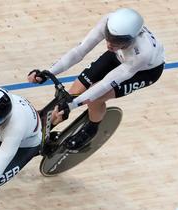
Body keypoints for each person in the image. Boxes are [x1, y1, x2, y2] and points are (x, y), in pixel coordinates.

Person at [28, 7, 165, 150]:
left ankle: (91, 129)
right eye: (109, 37)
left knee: (96, 96)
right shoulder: (108, 22)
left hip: (144, 71)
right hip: (119, 56)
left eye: (117, 41)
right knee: (76, 88)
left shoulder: (142, 53)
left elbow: (106, 84)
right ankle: (47, 123)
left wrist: (72, 105)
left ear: (131, 39)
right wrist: (48, 73)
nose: (110, 43)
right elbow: (79, 51)